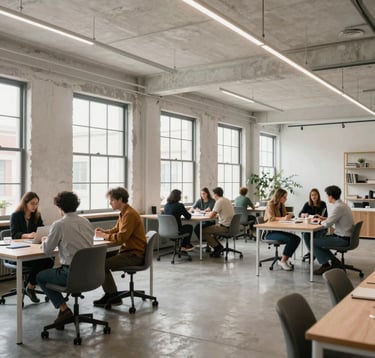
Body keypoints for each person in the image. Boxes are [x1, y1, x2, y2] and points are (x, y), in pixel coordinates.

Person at [36, 191, 93, 326]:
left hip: (70, 275)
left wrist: (45, 240)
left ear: (60, 207)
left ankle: (64, 309)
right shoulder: (86, 221)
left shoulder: (59, 224)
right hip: (91, 274)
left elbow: (47, 249)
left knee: (40, 277)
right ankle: (64, 312)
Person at [93, 187, 147, 307]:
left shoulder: (129, 214)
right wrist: (104, 231)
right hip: (127, 252)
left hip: (134, 255)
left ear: (120, 200)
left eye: (112, 200)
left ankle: (113, 296)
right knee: (100, 260)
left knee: (101, 265)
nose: (109, 203)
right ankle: (110, 294)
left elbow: (122, 237)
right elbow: (116, 230)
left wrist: (104, 236)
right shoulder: (123, 213)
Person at [10, 191, 54, 303]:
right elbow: (14, 234)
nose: (35, 206)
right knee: (42, 260)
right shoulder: (15, 216)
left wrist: (43, 236)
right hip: (19, 253)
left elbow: (42, 229)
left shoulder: (37, 216)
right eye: (32, 203)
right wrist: (28, 235)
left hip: (32, 249)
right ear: (25, 203)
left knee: (50, 259)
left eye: (37, 203)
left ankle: (30, 285)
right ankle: (31, 286)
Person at [308, 185, 354, 275]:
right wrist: (322, 218)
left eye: (327, 195)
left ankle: (325, 265)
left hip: (342, 239)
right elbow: (332, 219)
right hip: (345, 236)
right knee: (319, 242)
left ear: (330, 196)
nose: (327, 197)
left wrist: (319, 221)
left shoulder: (338, 207)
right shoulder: (342, 205)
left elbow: (328, 224)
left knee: (313, 242)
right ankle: (334, 261)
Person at [264, 188, 301, 271]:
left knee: (297, 238)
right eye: (284, 197)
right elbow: (271, 218)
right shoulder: (270, 204)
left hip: (278, 230)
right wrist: (284, 218)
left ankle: (285, 259)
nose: (286, 199)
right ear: (279, 197)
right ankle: (283, 261)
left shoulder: (282, 205)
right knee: (292, 239)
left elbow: (284, 216)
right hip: (270, 233)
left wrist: (289, 216)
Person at [202, 187, 234, 257]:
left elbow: (211, 216)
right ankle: (218, 247)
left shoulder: (219, 201)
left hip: (225, 227)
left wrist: (206, 213)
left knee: (203, 230)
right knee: (211, 230)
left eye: (213, 194)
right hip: (231, 226)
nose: (213, 196)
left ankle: (217, 248)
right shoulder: (227, 200)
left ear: (216, 194)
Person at [298, 188, 328, 261]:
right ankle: (313, 252)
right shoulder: (307, 204)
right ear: (310, 196)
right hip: (309, 226)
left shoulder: (323, 204)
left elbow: (326, 217)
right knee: (305, 234)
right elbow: (299, 214)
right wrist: (304, 215)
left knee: (317, 237)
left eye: (315, 195)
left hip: (319, 227)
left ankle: (313, 252)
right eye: (312, 195)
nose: (314, 197)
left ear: (318, 196)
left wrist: (320, 217)